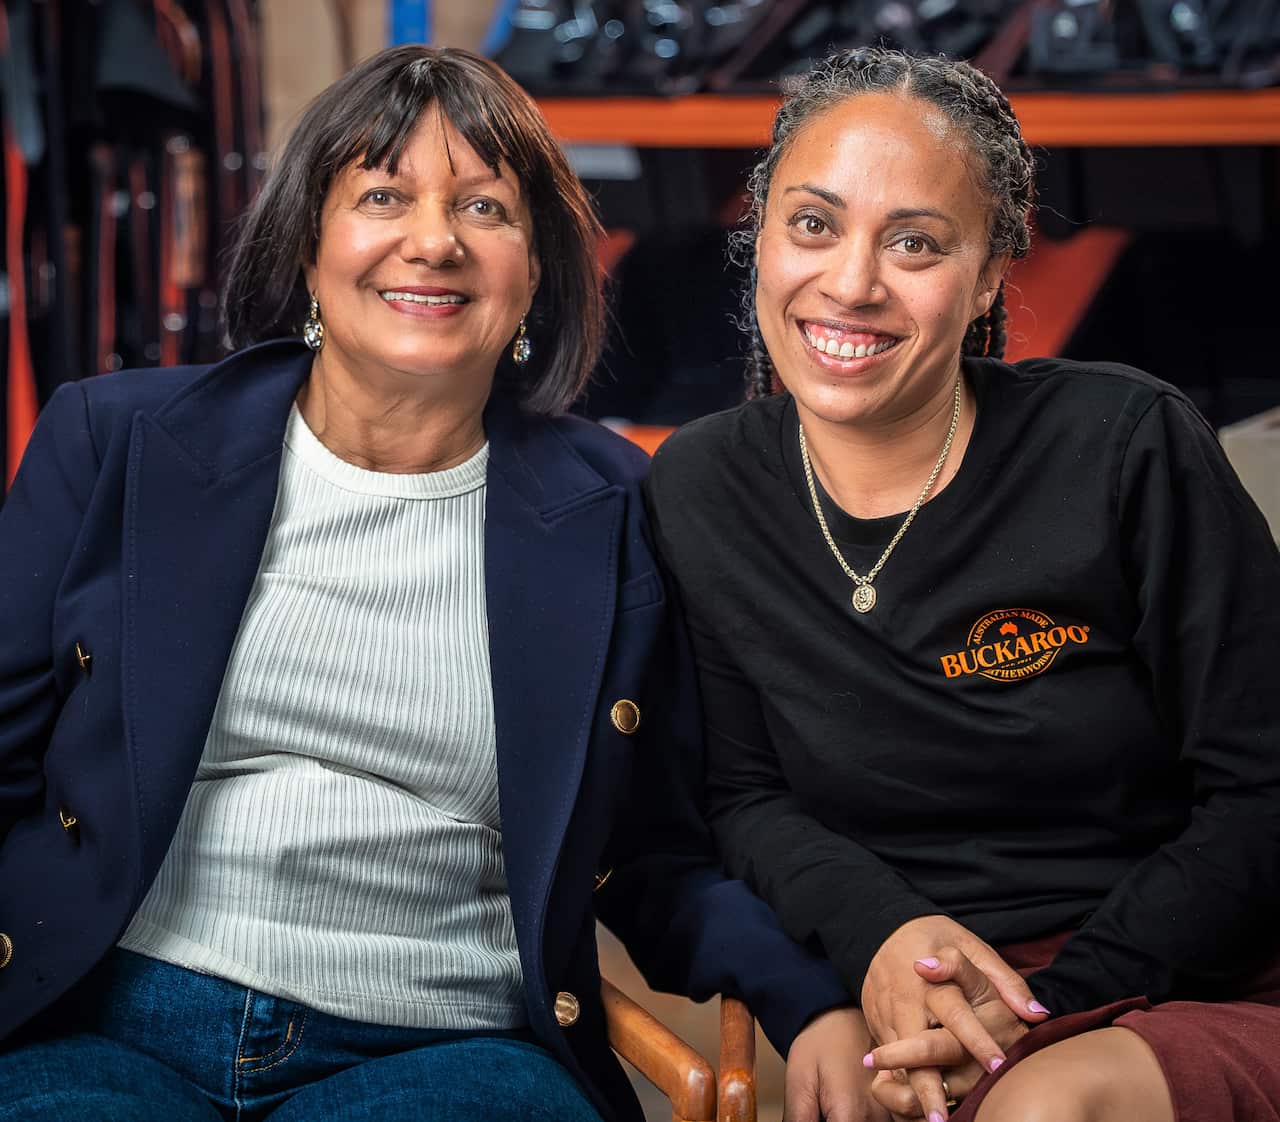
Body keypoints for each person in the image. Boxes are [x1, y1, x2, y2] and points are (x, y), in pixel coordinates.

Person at [0, 45, 853, 1122]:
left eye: (486, 208)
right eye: (383, 195)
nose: (435, 240)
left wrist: (812, 1002)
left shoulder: (612, 508)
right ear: (309, 247)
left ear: (535, 269)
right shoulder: (115, 441)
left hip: (437, 1056)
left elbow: (656, 846)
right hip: (110, 1022)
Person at [645, 45, 1280, 1122]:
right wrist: (871, 948)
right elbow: (743, 800)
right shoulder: (702, 485)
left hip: (1181, 969)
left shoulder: (1121, 442)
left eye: (913, 243)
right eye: (812, 224)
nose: (850, 281)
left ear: (989, 273)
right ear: (758, 238)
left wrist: (1021, 1019)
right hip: (906, 985)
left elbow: (1262, 794)